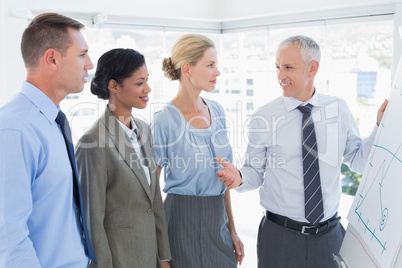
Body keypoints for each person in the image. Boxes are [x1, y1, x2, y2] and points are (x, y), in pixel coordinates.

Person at [216, 35, 388, 268]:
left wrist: (379, 128)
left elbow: (357, 161)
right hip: (280, 237)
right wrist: (239, 178)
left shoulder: (339, 109)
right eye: (277, 67)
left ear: (312, 68)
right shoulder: (264, 116)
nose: (280, 76)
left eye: (288, 67)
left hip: (330, 237)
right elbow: (254, 172)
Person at [0, 13, 96, 267]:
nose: (90, 64)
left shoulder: (50, 121)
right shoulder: (15, 129)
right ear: (52, 59)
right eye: (82, 54)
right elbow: (9, 238)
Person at [150, 34, 244, 268]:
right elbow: (150, 193)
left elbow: (224, 176)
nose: (217, 72)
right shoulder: (164, 121)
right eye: (210, 65)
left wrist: (232, 228)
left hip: (218, 221)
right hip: (180, 222)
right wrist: (161, 254)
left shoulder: (218, 111)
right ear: (187, 69)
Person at [75, 48, 172, 268]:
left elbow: (154, 200)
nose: (147, 89)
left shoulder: (145, 130)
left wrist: (164, 258)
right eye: (139, 83)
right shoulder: (92, 143)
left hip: (150, 257)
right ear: (114, 86)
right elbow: (92, 221)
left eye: (147, 81)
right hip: (119, 260)